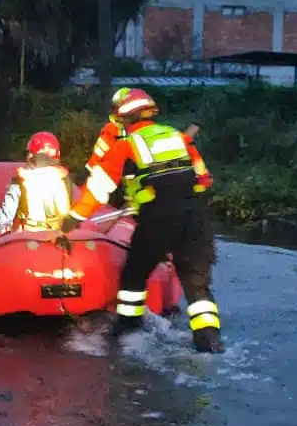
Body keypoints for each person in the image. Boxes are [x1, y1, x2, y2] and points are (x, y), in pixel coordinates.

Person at [58, 88, 222, 353]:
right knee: (197, 286)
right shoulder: (179, 138)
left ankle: (128, 332)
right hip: (195, 219)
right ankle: (210, 342)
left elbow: (98, 190)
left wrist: (71, 220)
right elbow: (204, 180)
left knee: (134, 276)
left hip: (157, 220)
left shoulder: (125, 145)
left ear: (124, 119)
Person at [0, 131, 72, 234]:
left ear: (32, 155)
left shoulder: (21, 180)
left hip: (28, 237)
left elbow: (4, 218)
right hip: (56, 235)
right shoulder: (64, 179)